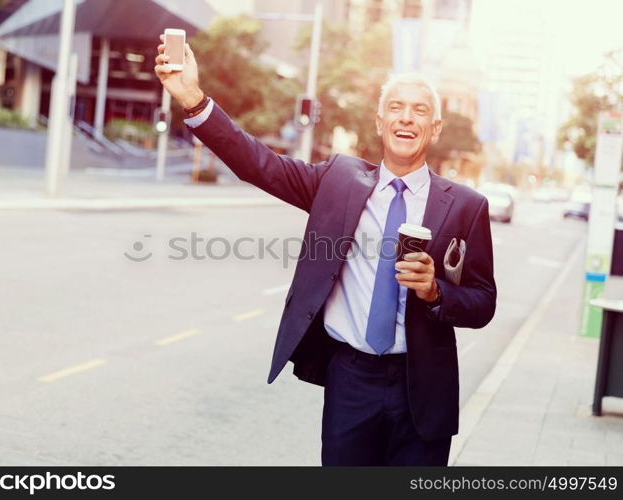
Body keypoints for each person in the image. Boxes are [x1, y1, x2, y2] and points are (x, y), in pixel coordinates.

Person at [154, 37, 496, 466]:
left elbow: (483, 303)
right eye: (395, 107)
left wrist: (435, 293)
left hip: (423, 388)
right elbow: (258, 163)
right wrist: (193, 99)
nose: (406, 118)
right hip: (351, 381)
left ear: (436, 128)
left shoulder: (466, 206)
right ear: (379, 122)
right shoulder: (338, 179)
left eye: (420, 110)